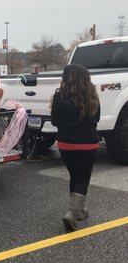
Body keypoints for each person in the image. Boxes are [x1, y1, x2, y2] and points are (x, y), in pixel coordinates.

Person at [51, 64, 100, 231]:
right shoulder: (92, 95)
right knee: (83, 178)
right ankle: (72, 212)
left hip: (65, 142)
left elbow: (55, 121)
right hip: (87, 142)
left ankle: (80, 210)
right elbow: (97, 118)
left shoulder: (59, 96)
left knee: (74, 176)